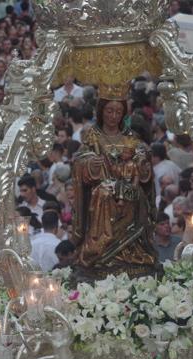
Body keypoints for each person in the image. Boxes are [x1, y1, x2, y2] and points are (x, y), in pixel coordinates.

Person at [70, 98, 157, 279]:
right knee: (103, 194)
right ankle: (99, 250)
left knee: (136, 194)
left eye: (118, 112)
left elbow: (143, 154)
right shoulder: (92, 136)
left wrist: (141, 159)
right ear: (101, 112)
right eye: (109, 111)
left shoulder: (130, 137)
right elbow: (79, 161)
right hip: (104, 188)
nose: (113, 116)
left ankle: (132, 251)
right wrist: (91, 163)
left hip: (128, 186)